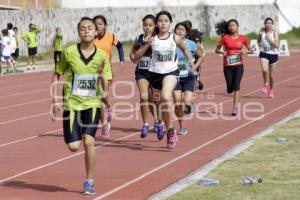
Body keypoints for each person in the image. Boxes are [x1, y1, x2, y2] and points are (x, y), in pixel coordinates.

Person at [51, 17, 109, 195]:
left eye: (90, 28)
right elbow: (56, 74)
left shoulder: (101, 55)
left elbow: (105, 88)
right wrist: (55, 100)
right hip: (72, 104)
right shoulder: (68, 52)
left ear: (95, 32)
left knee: (89, 141)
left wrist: (101, 76)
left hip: (92, 104)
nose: (86, 31)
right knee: (74, 146)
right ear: (78, 32)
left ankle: (89, 181)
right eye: (82, 28)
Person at [136, 11, 196, 149]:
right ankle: (170, 128)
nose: (163, 23)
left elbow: (186, 50)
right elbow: (136, 57)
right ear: (157, 23)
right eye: (161, 21)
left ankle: (170, 131)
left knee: (165, 96)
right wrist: (145, 45)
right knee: (160, 104)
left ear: (170, 23)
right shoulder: (152, 39)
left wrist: (191, 62)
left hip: (171, 73)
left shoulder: (174, 38)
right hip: (154, 74)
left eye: (166, 21)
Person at [93, 15, 125, 138]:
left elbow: (120, 46)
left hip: (106, 71)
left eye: (100, 24)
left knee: (103, 96)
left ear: (104, 25)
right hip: (93, 72)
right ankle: (104, 124)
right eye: (96, 24)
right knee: (98, 98)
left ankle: (109, 107)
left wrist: (122, 60)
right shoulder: (91, 37)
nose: (98, 26)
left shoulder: (110, 37)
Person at [130, 14, 160, 138]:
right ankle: (145, 124)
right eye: (145, 25)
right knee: (144, 97)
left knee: (154, 101)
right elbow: (132, 54)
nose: (147, 28)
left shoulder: (158, 38)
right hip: (141, 72)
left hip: (155, 72)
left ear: (155, 26)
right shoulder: (139, 38)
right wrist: (134, 56)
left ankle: (158, 121)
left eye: (150, 25)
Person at [215, 19, 253, 116]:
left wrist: (245, 52)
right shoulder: (225, 38)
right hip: (227, 66)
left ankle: (235, 108)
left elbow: (251, 50)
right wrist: (222, 52)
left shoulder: (243, 38)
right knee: (230, 88)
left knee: (237, 86)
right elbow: (217, 49)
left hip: (239, 66)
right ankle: (229, 88)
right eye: (230, 26)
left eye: (233, 25)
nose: (231, 27)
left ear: (237, 27)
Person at [173, 22, 203, 135]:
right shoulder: (171, 43)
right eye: (178, 29)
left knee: (187, 100)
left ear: (186, 33)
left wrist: (195, 67)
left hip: (188, 76)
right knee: (177, 102)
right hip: (175, 77)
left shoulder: (191, 44)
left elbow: (201, 56)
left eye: (182, 29)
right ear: (174, 31)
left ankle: (190, 103)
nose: (180, 31)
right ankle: (181, 126)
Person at [257, 17, 279, 98]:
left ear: (272, 24)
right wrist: (260, 44)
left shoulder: (274, 33)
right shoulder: (261, 32)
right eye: (267, 23)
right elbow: (258, 41)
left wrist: (268, 38)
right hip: (264, 53)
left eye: (270, 23)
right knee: (264, 70)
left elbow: (276, 45)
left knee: (272, 76)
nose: (268, 24)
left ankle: (271, 90)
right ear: (265, 24)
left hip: (273, 55)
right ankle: (266, 84)